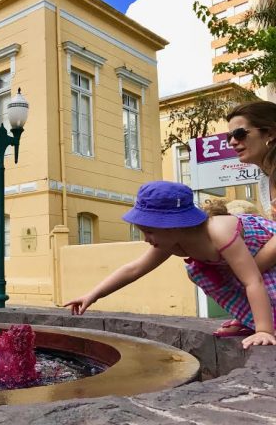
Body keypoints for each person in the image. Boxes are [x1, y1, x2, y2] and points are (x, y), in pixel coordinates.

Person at [64, 181, 276, 350]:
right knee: (199, 273)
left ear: (174, 225)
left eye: (149, 231)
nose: (146, 238)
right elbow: (134, 269)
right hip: (237, 265)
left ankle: (264, 323)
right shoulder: (172, 241)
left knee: (250, 282)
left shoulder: (219, 233)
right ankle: (248, 319)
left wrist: (264, 330)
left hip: (265, 251)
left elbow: (253, 281)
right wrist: (93, 295)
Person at [226, 101, 276, 218]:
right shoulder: (264, 180)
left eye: (239, 133)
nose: (232, 142)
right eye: (229, 137)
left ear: (270, 133)